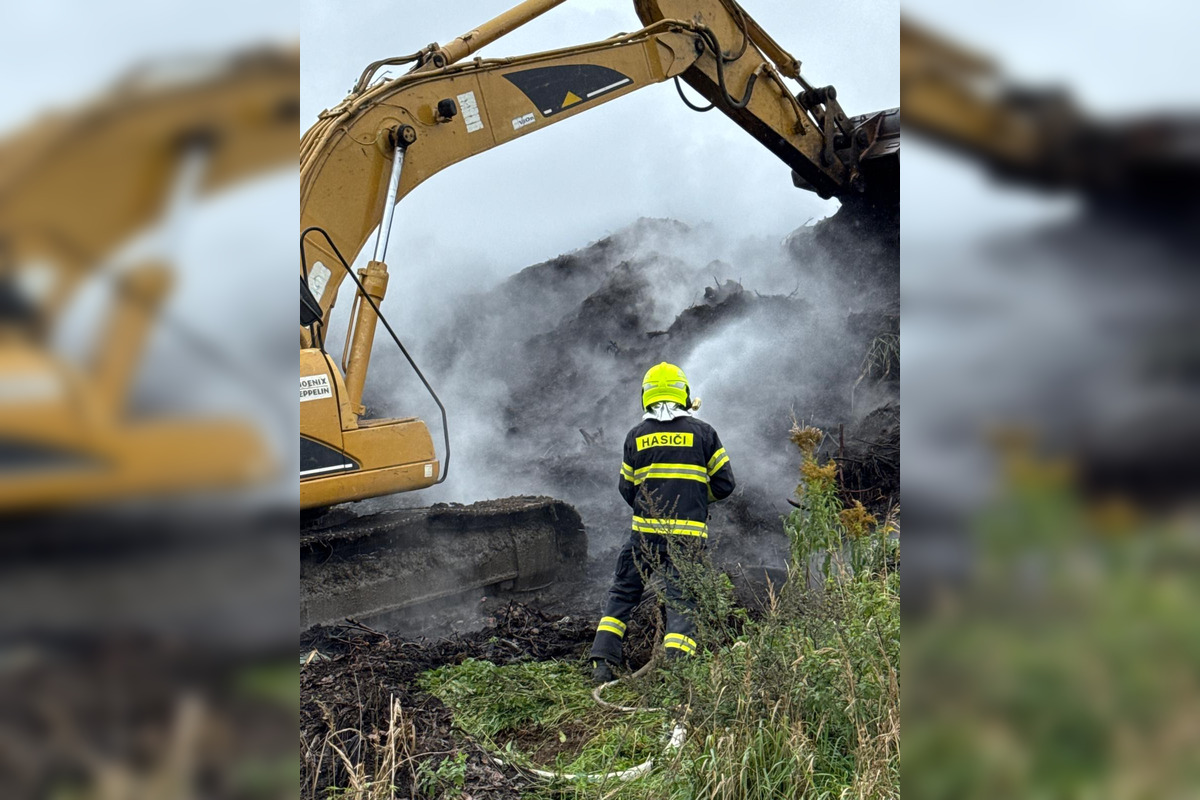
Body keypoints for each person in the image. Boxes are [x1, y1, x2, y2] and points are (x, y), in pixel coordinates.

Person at [590, 361, 735, 684]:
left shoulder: (636, 436)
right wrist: (696, 497)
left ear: (647, 397)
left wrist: (649, 509)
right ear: (683, 394)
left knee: (623, 592)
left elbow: (627, 488)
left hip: (642, 538)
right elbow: (725, 485)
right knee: (683, 601)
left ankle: (602, 663)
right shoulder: (704, 434)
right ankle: (675, 673)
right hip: (687, 540)